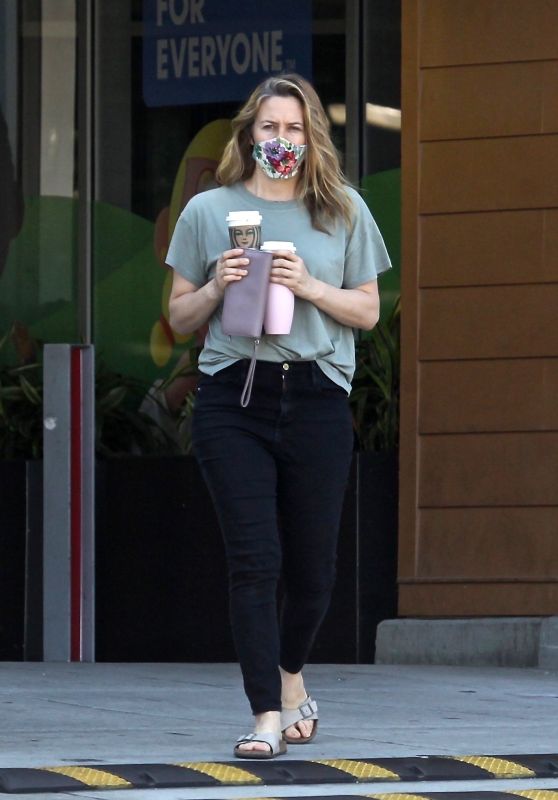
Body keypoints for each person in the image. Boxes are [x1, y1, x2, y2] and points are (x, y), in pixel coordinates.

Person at [166, 73, 391, 759]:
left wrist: (309, 285)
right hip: (235, 395)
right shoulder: (209, 211)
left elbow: (369, 310)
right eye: (270, 128)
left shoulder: (342, 210)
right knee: (254, 561)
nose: (282, 140)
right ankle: (265, 712)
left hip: (318, 396)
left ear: (311, 136)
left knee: (315, 570)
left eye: (294, 129)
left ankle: (291, 673)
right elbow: (177, 319)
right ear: (249, 133)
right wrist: (216, 285)